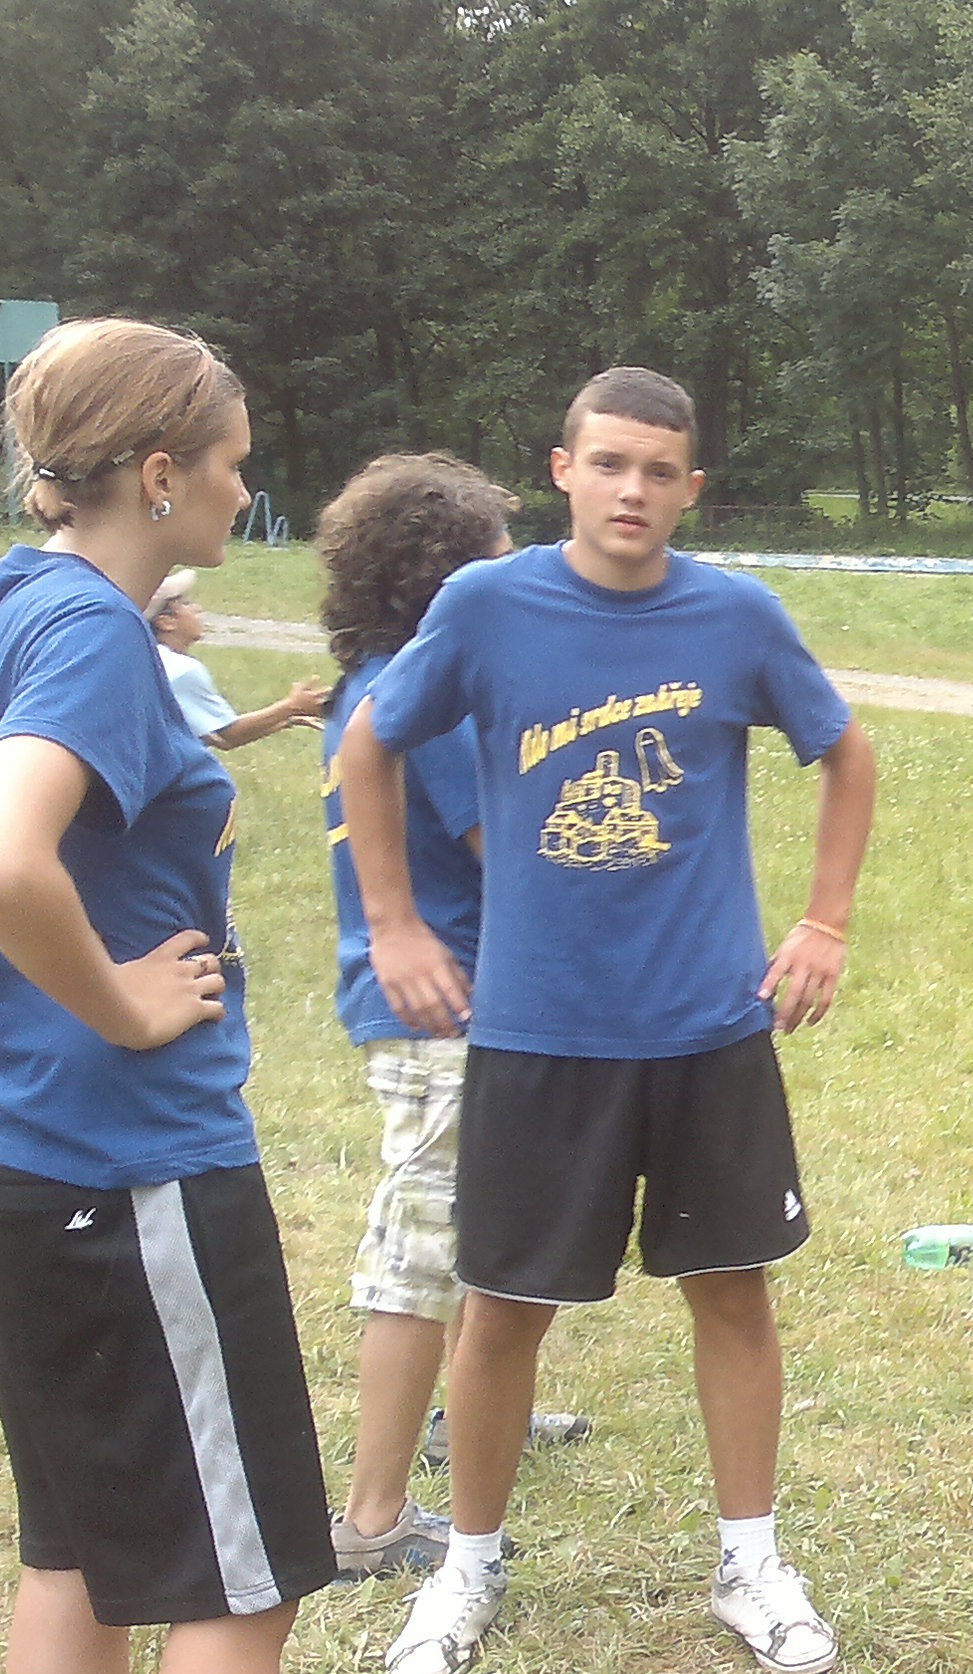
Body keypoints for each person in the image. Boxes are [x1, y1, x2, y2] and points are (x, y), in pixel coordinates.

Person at [0, 317, 334, 1674]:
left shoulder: (7, 605)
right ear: (161, 472)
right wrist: (116, 1004)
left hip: (15, 1162)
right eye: (234, 463)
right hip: (134, 1176)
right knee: (235, 1596)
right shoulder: (95, 635)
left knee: (74, 1559)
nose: (244, 489)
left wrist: (0, 971)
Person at [338, 365, 877, 1674]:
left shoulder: (736, 616)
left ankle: (750, 1560)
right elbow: (371, 742)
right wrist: (396, 925)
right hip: (539, 1032)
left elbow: (845, 752)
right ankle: (468, 1566)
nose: (632, 490)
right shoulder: (487, 606)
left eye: (659, 470)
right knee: (503, 1306)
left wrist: (824, 921)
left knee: (733, 1291)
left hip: (705, 1027)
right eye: (609, 463)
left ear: (692, 487)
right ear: (564, 470)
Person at [313, 452, 592, 1580]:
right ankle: (372, 1519)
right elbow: (509, 854)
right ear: (442, 579)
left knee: (484, 1221)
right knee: (422, 1244)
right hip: (447, 1005)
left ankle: (468, 1407)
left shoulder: (378, 677)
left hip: (443, 999)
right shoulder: (423, 699)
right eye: (495, 565)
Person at [148, 570, 329, 749]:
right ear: (166, 622)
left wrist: (287, 717)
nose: (197, 608)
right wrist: (292, 706)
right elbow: (230, 733)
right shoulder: (181, 670)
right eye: (185, 604)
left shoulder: (154, 659)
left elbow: (221, 740)